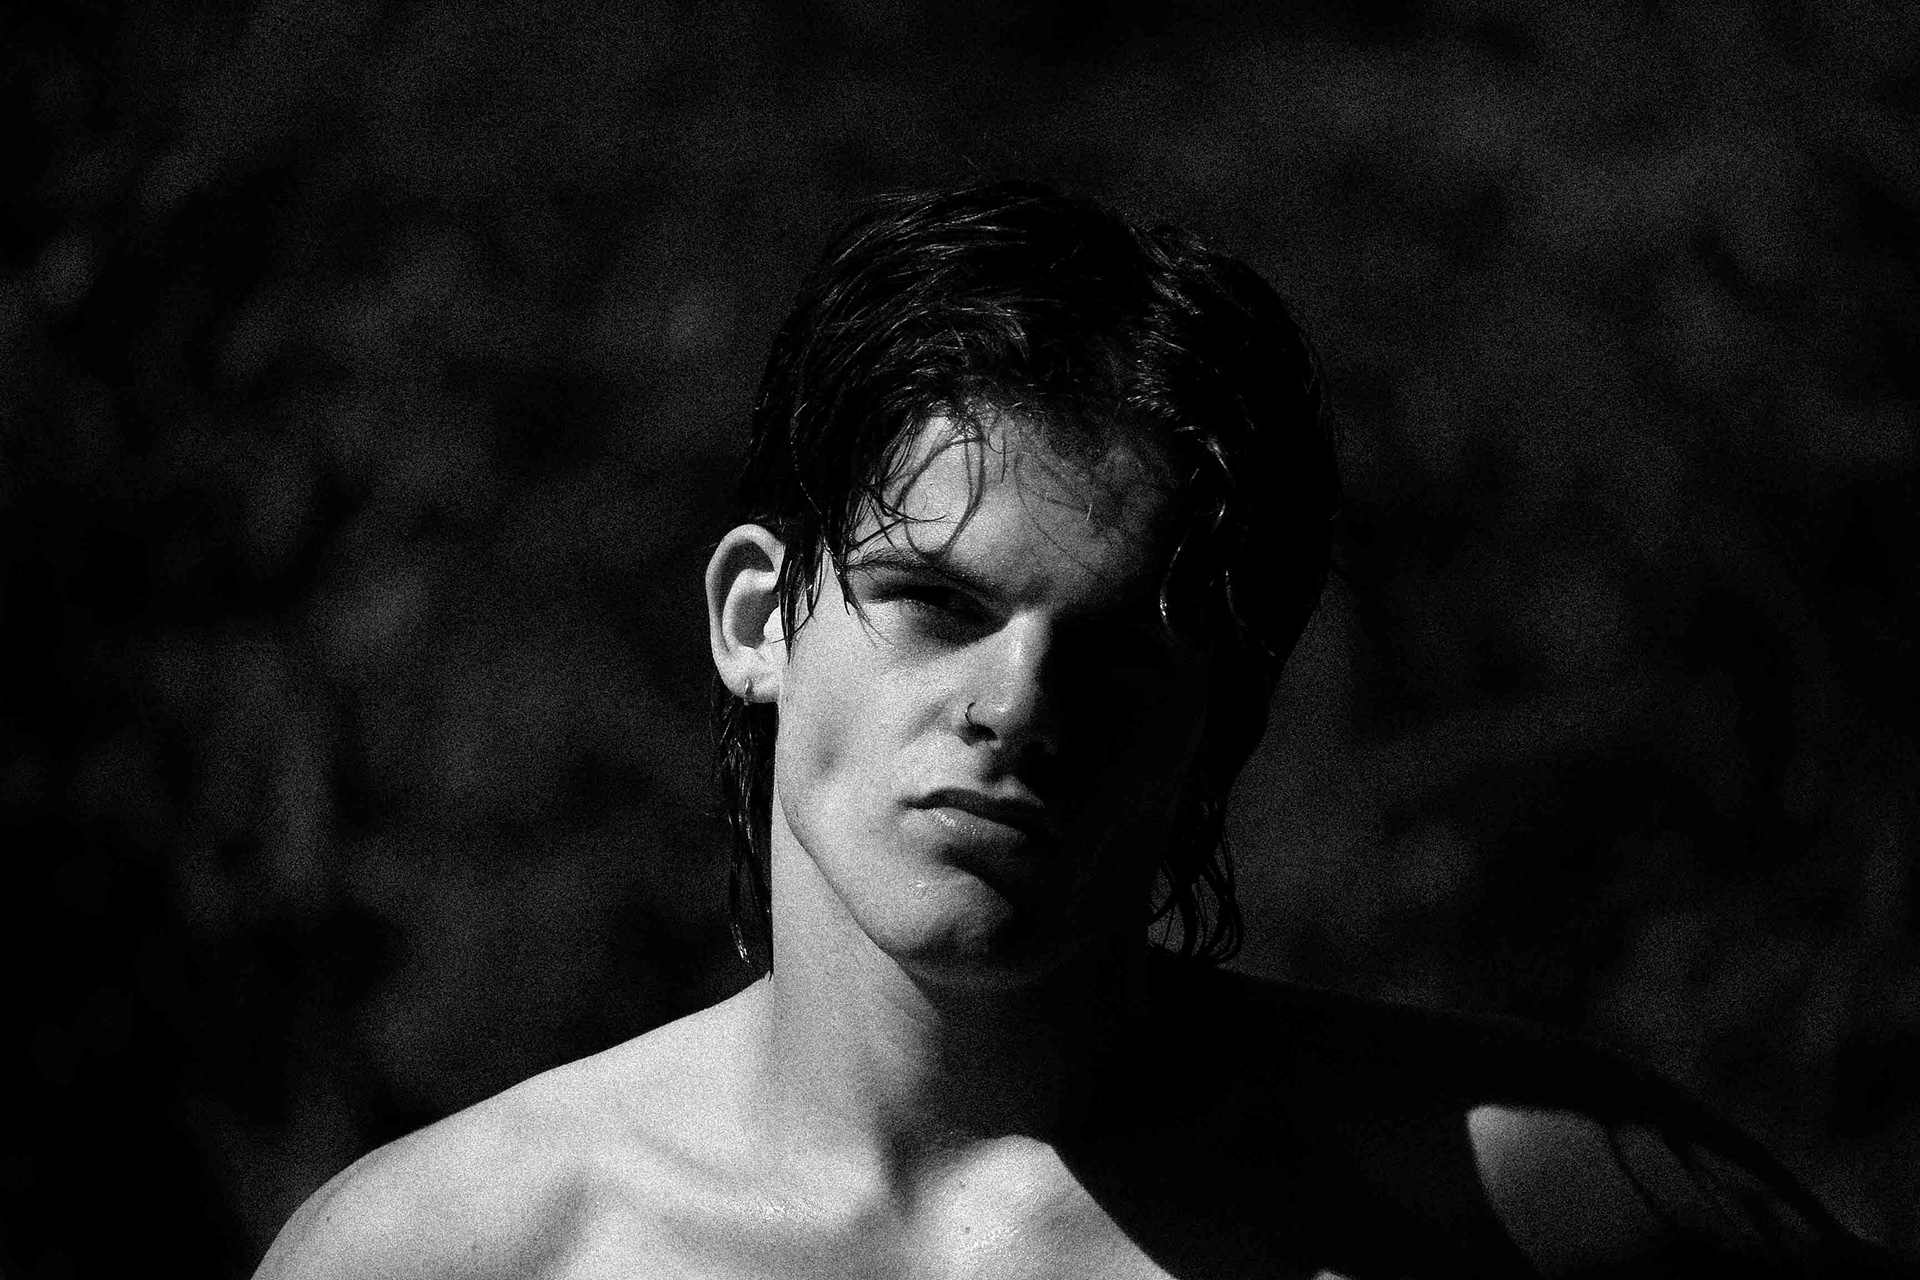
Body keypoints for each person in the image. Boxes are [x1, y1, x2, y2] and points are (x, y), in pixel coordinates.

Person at [256, 181, 1903, 1279]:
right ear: (759, 618)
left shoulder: (1521, 1201)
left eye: (1120, 652)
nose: (1017, 702)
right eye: (935, 601)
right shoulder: (456, 1254)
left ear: (1222, 719)